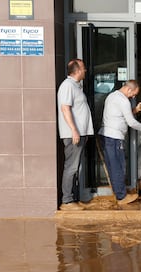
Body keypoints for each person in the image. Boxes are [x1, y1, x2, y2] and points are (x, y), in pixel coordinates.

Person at [99, 80, 141, 205]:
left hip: (106, 135)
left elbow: (120, 115)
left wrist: (135, 109)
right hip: (114, 138)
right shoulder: (123, 100)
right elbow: (131, 122)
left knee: (113, 166)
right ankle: (122, 197)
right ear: (128, 89)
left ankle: (118, 194)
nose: (133, 96)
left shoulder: (112, 96)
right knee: (119, 166)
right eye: (133, 94)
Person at [57, 59, 94, 211]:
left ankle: (72, 198)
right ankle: (67, 201)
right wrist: (74, 130)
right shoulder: (67, 86)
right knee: (71, 167)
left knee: (74, 166)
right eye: (83, 68)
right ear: (77, 70)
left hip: (79, 134)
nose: (85, 70)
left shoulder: (75, 86)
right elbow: (65, 108)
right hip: (73, 135)